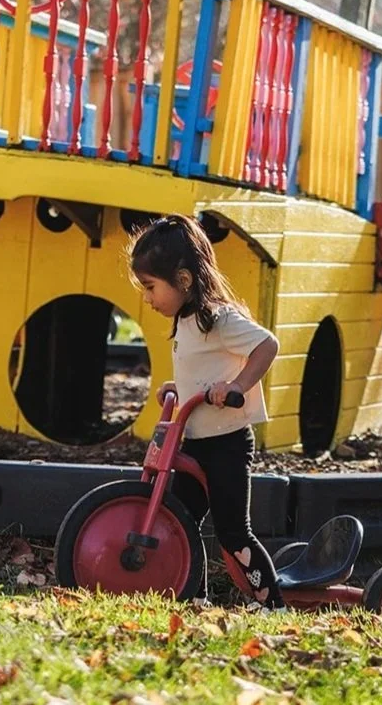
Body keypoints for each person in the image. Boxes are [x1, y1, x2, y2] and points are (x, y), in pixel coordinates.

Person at [130, 214, 284, 608]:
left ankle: (271, 602)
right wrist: (179, 390)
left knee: (234, 532)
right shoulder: (183, 319)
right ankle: (192, 597)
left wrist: (237, 387)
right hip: (195, 442)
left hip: (227, 445)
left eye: (150, 287)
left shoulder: (217, 318)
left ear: (183, 280)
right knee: (182, 521)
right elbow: (201, 369)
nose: (148, 298)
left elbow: (267, 345)